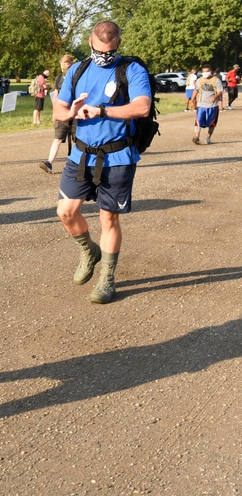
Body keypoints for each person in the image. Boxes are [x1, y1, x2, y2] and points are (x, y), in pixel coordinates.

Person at [52, 20, 151, 304]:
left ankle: (107, 277)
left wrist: (102, 110)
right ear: (90, 42)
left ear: (118, 43)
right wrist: (70, 111)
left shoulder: (132, 69)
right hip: (80, 154)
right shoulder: (78, 69)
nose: (103, 56)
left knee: (108, 217)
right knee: (66, 212)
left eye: (109, 51)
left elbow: (142, 107)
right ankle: (88, 250)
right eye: (99, 50)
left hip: (118, 156)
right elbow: (57, 111)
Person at [39, 55, 76, 174]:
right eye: (63, 63)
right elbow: (56, 95)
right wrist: (55, 112)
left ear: (72, 63)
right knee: (58, 138)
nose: (65, 65)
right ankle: (49, 162)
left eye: (68, 63)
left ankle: (79, 164)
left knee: (79, 140)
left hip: (76, 113)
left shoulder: (78, 77)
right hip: (62, 112)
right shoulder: (59, 78)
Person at [190, 63, 223, 145]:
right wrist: (192, 101)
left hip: (213, 106)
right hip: (201, 105)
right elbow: (195, 91)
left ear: (210, 71)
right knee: (198, 122)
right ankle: (197, 137)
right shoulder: (199, 80)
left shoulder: (216, 80)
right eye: (203, 72)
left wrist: (215, 96)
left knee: (212, 123)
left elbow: (220, 92)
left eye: (207, 71)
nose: (205, 73)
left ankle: (208, 138)